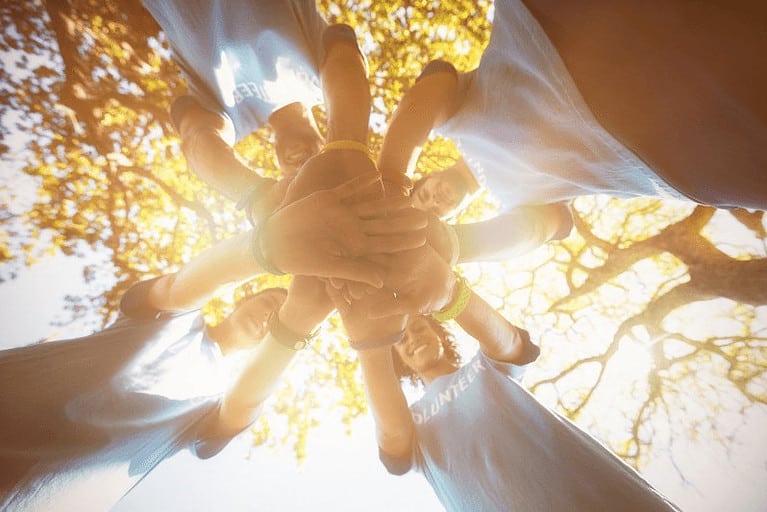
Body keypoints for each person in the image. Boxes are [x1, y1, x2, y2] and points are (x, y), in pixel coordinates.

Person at [378, 0, 767, 263]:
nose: (435, 199)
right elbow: (536, 231)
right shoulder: (513, 199)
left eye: (424, 193)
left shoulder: (452, 121)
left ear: (426, 173)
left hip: (558, 28)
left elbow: (423, 100)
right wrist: (454, 247)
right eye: (435, 210)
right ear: (454, 213)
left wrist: (390, 183)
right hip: (661, 152)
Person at [332, 276, 681, 511]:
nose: (414, 339)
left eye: (420, 328)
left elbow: (511, 342)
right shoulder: (412, 421)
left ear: (441, 335)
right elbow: (393, 440)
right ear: (402, 363)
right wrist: (371, 345)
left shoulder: (485, 369)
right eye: (403, 342)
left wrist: (448, 287)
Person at [142, 0, 331, 223]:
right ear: (329, 147)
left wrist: (255, 194)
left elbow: (198, 143)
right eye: (316, 176)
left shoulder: (230, 119)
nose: (301, 170)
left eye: (295, 182)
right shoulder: (325, 77)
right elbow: (349, 64)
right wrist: (348, 145)